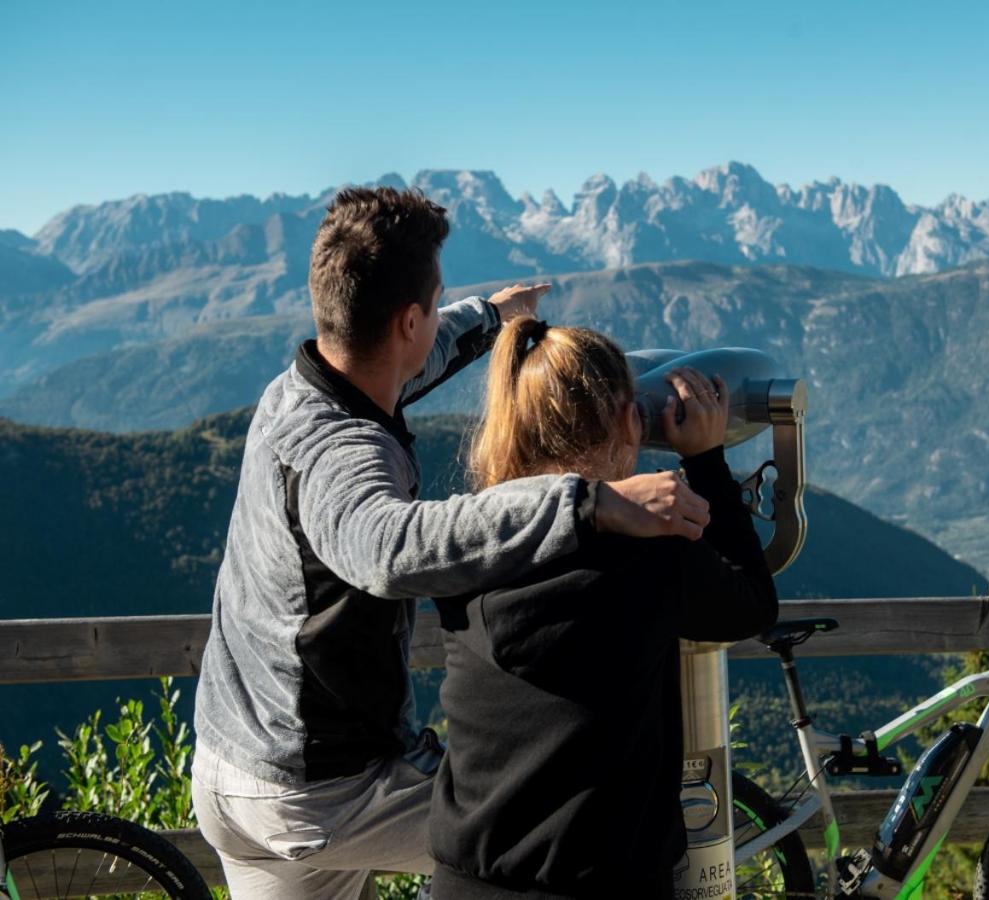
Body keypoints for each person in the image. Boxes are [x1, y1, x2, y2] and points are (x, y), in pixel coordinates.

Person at [191, 187, 712, 900]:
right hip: (324, 791)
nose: (437, 318)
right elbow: (388, 547)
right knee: (549, 824)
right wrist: (586, 502)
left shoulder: (297, 392)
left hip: (232, 769)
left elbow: (417, 357)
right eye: (434, 305)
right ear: (408, 319)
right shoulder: (345, 449)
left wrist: (492, 316)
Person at [428, 317, 780, 899]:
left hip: (466, 881)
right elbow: (752, 607)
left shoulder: (468, 542)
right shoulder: (649, 555)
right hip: (603, 883)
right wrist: (706, 462)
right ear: (627, 420)